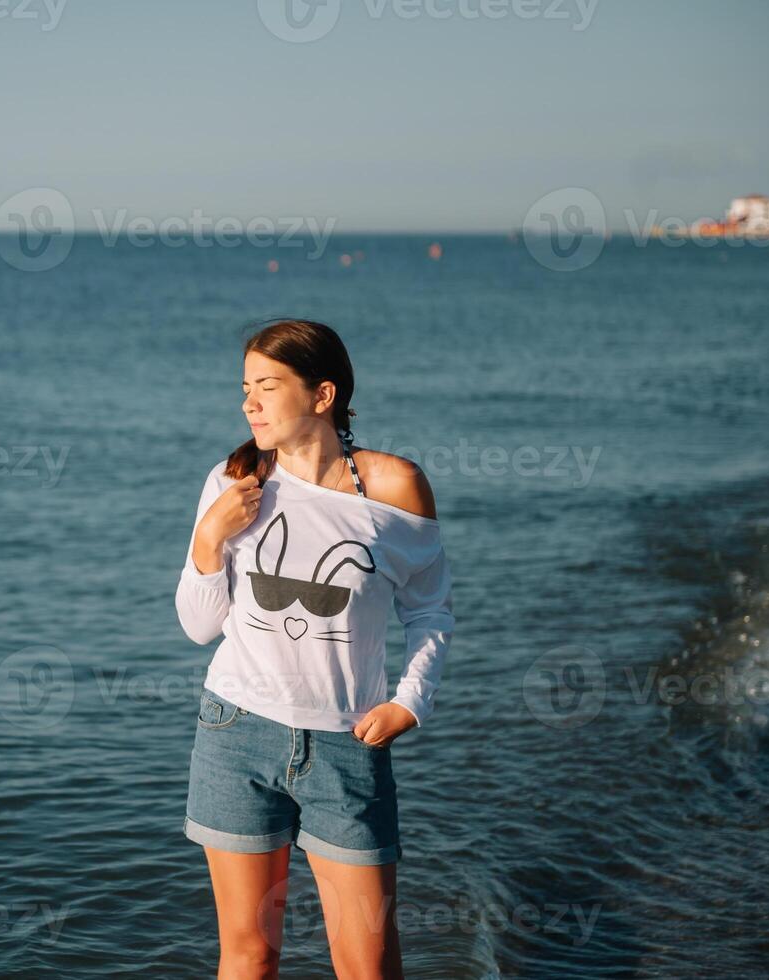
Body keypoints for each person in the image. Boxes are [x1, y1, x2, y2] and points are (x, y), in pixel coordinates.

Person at [176, 319, 455, 980]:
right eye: (245, 387)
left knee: (367, 965)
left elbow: (430, 610)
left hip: (346, 744)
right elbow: (197, 625)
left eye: (267, 386)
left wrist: (409, 703)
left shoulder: (392, 488)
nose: (249, 402)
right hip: (235, 733)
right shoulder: (231, 481)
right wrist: (208, 542)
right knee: (250, 954)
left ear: (322, 395)